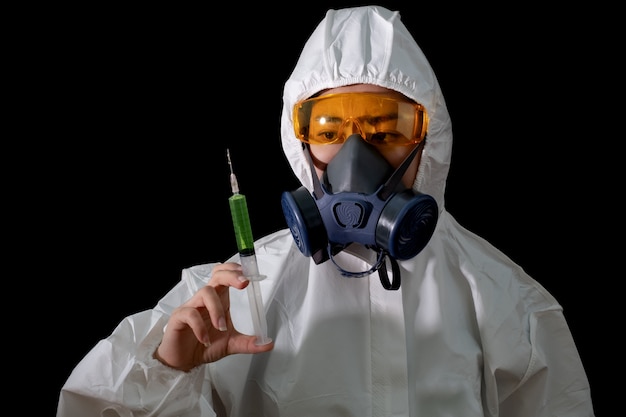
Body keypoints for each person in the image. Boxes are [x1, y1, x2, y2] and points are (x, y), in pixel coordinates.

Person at [57, 5, 594, 416]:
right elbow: (91, 406)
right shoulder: (232, 295)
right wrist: (169, 369)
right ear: (301, 143)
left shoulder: (506, 301)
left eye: (386, 129)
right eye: (330, 131)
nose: (354, 157)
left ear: (429, 140)